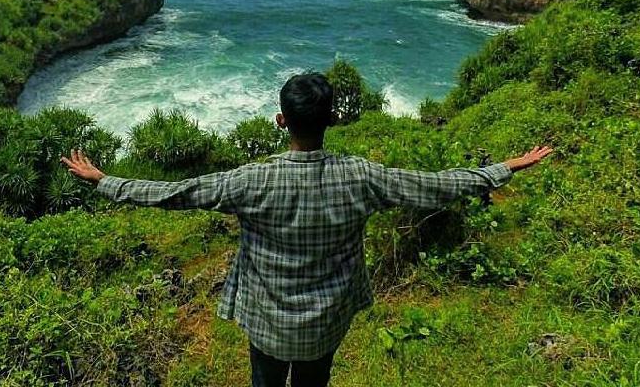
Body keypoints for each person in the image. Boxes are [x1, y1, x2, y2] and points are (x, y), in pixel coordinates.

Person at [62, 72, 553, 387]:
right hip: (326, 321)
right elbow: (438, 186)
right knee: (316, 382)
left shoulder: (252, 179)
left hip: (268, 321)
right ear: (333, 120)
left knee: (266, 382)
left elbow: (178, 194)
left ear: (280, 121)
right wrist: (506, 166)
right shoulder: (362, 176)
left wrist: (105, 181)